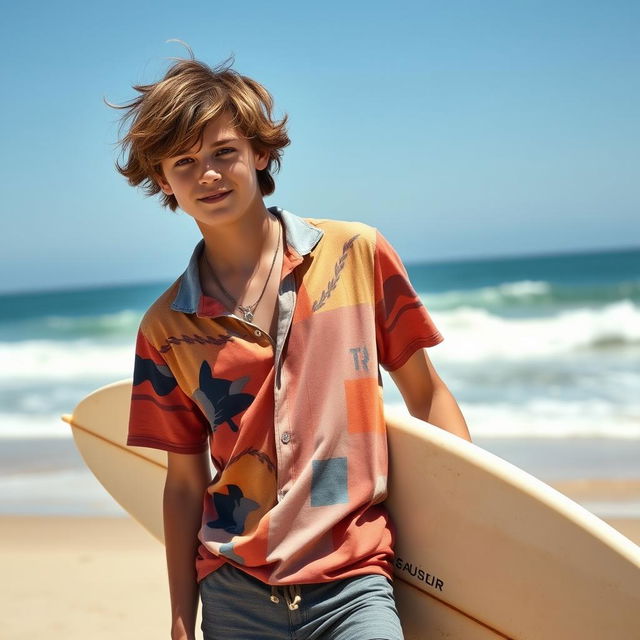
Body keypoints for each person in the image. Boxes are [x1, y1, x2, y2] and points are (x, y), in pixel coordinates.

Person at [114, 51, 471, 640]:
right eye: (184, 161)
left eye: (223, 151)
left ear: (258, 151)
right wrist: (182, 621)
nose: (208, 173)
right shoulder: (165, 329)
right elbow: (183, 483)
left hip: (355, 583)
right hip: (233, 594)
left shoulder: (357, 254)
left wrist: (469, 532)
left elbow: (427, 396)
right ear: (163, 181)